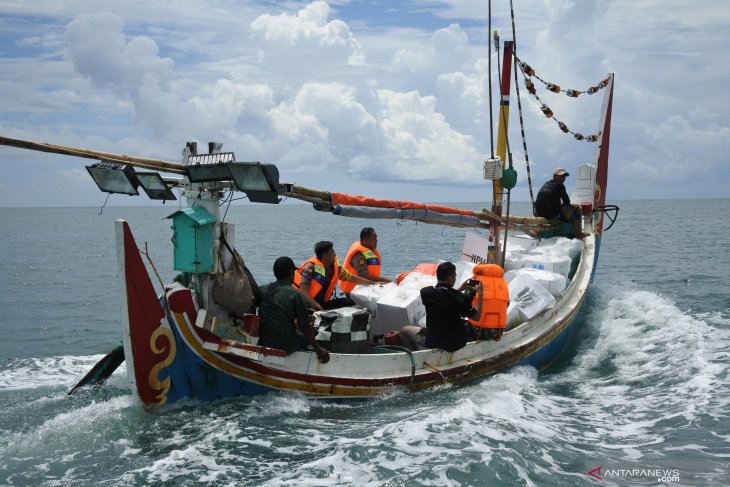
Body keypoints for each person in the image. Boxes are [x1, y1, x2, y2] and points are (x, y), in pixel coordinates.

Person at [258, 256, 330, 363]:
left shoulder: (263, 289)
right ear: (291, 272)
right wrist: (319, 350)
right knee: (315, 334)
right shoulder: (295, 295)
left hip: (264, 342)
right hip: (287, 345)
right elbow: (305, 327)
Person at [420, 261, 483, 353]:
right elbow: (477, 317)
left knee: (405, 331)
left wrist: (459, 289)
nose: (455, 278)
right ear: (450, 277)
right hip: (455, 344)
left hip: (433, 341)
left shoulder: (426, 292)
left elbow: (444, 296)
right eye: (454, 276)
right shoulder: (460, 297)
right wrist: (480, 294)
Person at [294, 241, 376, 311]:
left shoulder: (335, 268)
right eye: (332, 252)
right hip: (307, 305)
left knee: (351, 302)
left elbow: (351, 277)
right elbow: (303, 292)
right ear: (324, 255)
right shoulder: (310, 268)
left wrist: (373, 283)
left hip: (322, 304)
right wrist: (318, 307)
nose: (335, 254)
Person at [535, 168, 590, 239]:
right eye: (561, 176)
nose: (563, 178)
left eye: (564, 176)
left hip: (538, 213)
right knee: (576, 208)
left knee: (561, 208)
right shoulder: (560, 185)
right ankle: (578, 234)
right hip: (550, 215)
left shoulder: (547, 184)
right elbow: (567, 201)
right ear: (554, 176)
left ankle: (538, 232)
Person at [340, 227, 392, 295]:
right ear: (365, 240)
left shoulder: (369, 251)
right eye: (374, 239)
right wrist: (384, 280)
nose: (377, 241)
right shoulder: (359, 255)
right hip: (354, 293)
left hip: (366, 290)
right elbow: (363, 276)